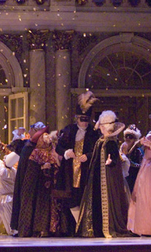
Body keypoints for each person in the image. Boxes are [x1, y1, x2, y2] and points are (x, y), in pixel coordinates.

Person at [76, 110, 131, 238]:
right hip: (97, 177)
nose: (99, 127)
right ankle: (95, 228)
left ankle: (104, 227)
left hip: (106, 178)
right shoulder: (101, 140)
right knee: (95, 201)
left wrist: (111, 161)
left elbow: (115, 159)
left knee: (104, 202)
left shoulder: (110, 141)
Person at [56, 90, 99, 228]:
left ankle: (85, 226)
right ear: (77, 118)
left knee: (85, 198)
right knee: (71, 199)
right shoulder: (69, 130)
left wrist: (88, 156)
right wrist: (67, 152)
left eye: (87, 120)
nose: (84, 123)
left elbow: (98, 150)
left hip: (86, 172)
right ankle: (77, 225)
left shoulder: (94, 133)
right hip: (70, 172)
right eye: (82, 119)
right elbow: (59, 147)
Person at [17, 131, 63, 237]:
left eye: (48, 135)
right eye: (45, 136)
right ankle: (39, 229)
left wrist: (54, 165)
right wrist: (41, 167)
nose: (47, 137)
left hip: (51, 184)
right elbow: (31, 170)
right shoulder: (36, 152)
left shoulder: (53, 151)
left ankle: (52, 229)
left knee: (52, 208)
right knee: (40, 207)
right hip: (39, 186)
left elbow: (59, 165)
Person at [10, 121, 48, 234]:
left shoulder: (39, 146)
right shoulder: (27, 143)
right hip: (24, 175)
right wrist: (18, 134)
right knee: (23, 200)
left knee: (32, 201)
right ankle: (22, 228)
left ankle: (30, 229)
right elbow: (13, 145)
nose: (29, 131)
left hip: (35, 178)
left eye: (31, 129)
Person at [120, 124, 143, 192]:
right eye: (126, 136)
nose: (128, 138)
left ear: (135, 139)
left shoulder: (138, 151)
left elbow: (141, 166)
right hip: (123, 178)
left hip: (134, 178)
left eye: (131, 137)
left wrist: (128, 161)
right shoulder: (121, 148)